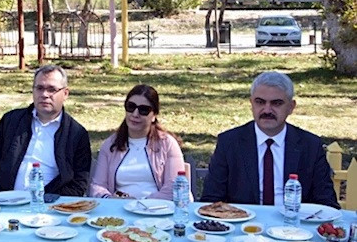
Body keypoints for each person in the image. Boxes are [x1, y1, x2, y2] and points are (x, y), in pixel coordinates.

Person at [201, 71, 340, 208]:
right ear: (251, 103)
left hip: (294, 226)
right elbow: (211, 200)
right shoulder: (229, 143)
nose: (267, 110)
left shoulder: (310, 146)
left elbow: (327, 204)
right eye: (260, 102)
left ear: (291, 107)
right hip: (243, 225)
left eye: (276, 103)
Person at [0, 65, 91, 196]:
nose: (44, 95)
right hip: (5, 202)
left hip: (50, 207)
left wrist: (50, 201)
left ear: (65, 93)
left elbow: (79, 182)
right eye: (40, 88)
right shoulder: (11, 121)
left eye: (51, 89)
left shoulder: (76, 133)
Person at [89, 84, 185, 200]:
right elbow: (98, 186)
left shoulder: (168, 144)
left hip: (157, 210)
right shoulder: (110, 145)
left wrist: (141, 204)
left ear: (154, 115)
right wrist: (110, 199)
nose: (135, 114)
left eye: (143, 110)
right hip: (118, 209)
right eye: (131, 107)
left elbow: (173, 189)